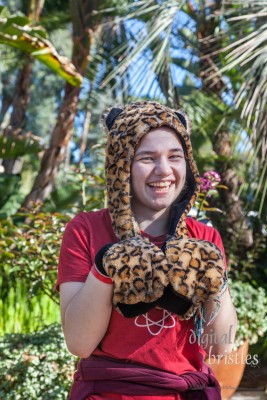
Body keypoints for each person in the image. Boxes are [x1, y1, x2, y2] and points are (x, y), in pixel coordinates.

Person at [56, 100, 237, 400]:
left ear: (187, 163)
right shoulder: (86, 229)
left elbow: (220, 346)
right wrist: (105, 268)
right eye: (147, 158)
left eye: (174, 156)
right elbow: (79, 343)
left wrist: (215, 278)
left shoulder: (204, 238)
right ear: (122, 163)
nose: (163, 170)